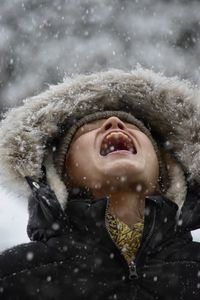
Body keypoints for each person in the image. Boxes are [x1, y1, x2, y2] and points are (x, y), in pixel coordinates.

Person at [0, 68, 200, 300]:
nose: (114, 122)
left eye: (133, 125)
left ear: (166, 174)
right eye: (88, 128)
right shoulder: (14, 277)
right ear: (60, 178)